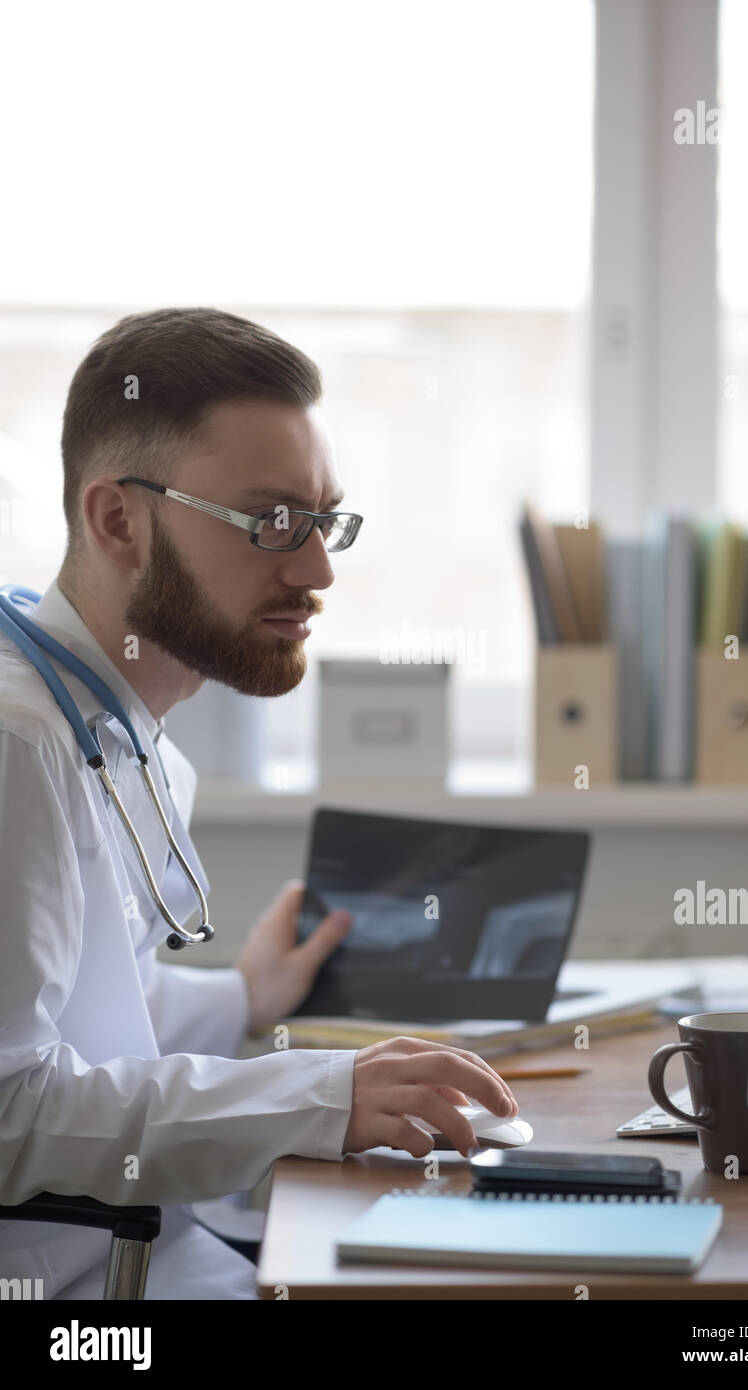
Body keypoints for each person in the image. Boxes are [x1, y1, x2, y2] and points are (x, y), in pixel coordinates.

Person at [0, 307, 518, 1300]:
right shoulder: (19, 745)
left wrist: (243, 997)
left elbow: (78, 1011)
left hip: (154, 1257)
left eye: (325, 522)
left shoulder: (121, 725)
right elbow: (11, 1101)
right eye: (271, 522)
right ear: (119, 519)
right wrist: (319, 1094)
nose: (318, 570)